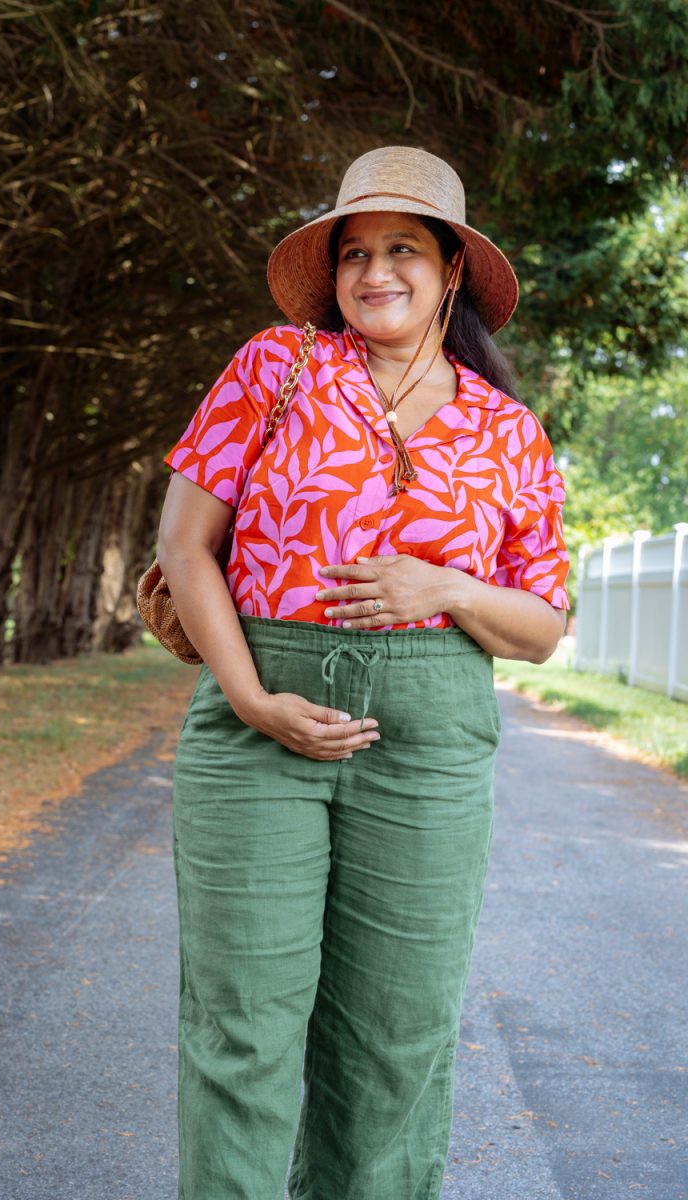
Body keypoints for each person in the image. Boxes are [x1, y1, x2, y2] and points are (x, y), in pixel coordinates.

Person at [156, 145, 570, 1200]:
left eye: (401, 250)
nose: (373, 271)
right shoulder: (276, 367)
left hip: (426, 741)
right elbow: (184, 547)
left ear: (450, 273)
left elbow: (539, 626)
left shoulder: (506, 432)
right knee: (240, 1027)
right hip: (259, 716)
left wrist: (447, 590)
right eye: (353, 252)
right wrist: (249, 696)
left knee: (392, 1039)